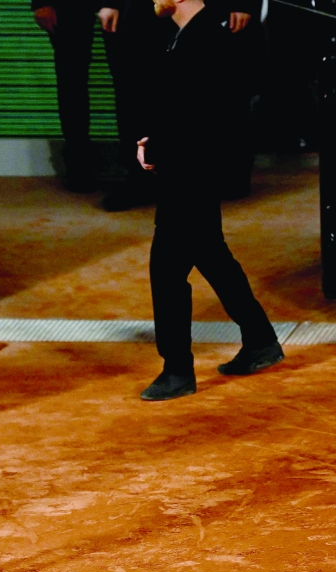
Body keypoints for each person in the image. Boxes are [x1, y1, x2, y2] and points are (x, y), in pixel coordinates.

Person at [136, 0, 282, 401]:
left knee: (166, 270)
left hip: (191, 172)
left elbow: (201, 115)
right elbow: (184, 111)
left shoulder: (201, 40)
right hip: (192, 168)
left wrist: (161, 148)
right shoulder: (192, 36)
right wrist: (156, 141)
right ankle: (260, 339)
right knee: (212, 255)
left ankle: (178, 370)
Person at [101, 0, 258, 211]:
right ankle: (142, 176)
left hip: (209, 7)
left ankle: (226, 172)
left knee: (219, 88)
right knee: (135, 92)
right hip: (141, 11)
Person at [32, 0, 121, 193]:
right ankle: (79, 167)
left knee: (129, 79)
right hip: (68, 6)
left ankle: (138, 168)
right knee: (71, 81)